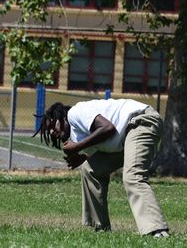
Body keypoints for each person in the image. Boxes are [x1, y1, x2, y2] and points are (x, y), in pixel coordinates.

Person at [34, 98, 169, 237]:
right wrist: (81, 157)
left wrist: (77, 147)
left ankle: (157, 230)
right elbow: (98, 149)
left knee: (132, 177)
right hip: (125, 137)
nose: (51, 132)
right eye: (48, 131)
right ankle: (101, 228)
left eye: (52, 126)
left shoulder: (75, 113)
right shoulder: (78, 135)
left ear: (61, 117)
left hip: (141, 122)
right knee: (90, 169)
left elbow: (107, 128)